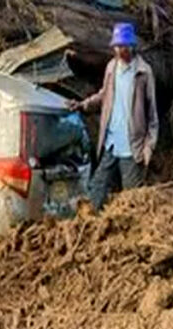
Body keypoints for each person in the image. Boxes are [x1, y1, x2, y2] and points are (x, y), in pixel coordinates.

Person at [69, 22, 158, 212]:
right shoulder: (111, 67)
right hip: (111, 143)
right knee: (96, 189)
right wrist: (83, 105)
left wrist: (148, 147)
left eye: (124, 46)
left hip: (132, 149)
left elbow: (152, 116)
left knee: (132, 200)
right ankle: (89, 226)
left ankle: (133, 237)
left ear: (132, 46)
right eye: (117, 46)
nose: (120, 50)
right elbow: (103, 95)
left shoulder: (144, 72)